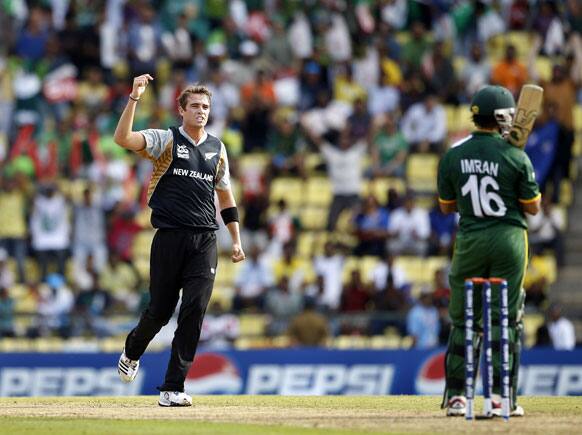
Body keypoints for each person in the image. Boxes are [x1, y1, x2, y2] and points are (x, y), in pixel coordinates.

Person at [113, 74, 245, 407]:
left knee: (194, 311)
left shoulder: (218, 148)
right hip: (169, 238)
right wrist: (134, 98)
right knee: (159, 312)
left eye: (206, 106)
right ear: (181, 109)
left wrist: (236, 239)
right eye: (195, 106)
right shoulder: (167, 139)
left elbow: (226, 198)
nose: (201, 111)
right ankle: (132, 351)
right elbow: (123, 139)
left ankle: (173, 387)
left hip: (205, 241)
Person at [437, 85, 541, 417]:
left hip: (469, 239)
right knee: (505, 320)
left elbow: (446, 206)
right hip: (509, 238)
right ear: (498, 117)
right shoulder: (516, 155)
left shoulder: (453, 153)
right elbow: (533, 206)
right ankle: (500, 399)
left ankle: (456, 397)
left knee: (463, 320)